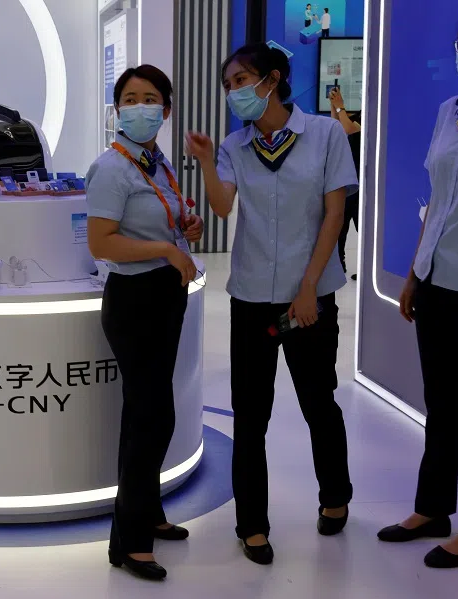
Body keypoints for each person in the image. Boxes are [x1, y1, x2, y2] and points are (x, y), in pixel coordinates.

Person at [185, 43, 357, 565]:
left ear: (273, 80)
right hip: (253, 297)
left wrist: (310, 286)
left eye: (243, 80)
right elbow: (220, 206)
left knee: (318, 402)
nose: (236, 91)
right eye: (230, 84)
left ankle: (335, 497)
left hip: (310, 296)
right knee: (251, 413)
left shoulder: (326, 134)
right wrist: (207, 161)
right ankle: (252, 525)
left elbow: (334, 213)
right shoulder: (236, 146)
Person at [378, 2, 458, 569]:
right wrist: (415, 273)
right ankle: (433, 508)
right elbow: (437, 199)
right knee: (441, 402)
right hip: (441, 281)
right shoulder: (450, 111)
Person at [86, 64, 204, 581]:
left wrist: (183, 224)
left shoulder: (155, 163)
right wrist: (162, 247)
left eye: (151, 97)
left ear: (167, 109)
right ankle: (129, 541)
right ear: (118, 110)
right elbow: (102, 241)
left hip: (162, 294)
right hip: (134, 299)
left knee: (147, 413)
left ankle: (146, 513)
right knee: (152, 417)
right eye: (130, 98)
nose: (141, 106)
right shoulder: (112, 167)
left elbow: (160, 218)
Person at [329, 87, 362, 280]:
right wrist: (334, 107)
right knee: (340, 228)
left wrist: (340, 107)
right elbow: (339, 128)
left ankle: (366, 267)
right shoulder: (355, 115)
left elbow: (350, 128)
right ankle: (338, 265)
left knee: (362, 229)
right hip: (348, 181)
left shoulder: (370, 117)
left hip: (362, 184)